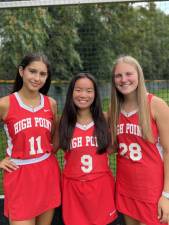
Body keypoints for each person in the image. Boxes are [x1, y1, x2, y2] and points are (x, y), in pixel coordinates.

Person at [0, 53, 61, 225]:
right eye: (32, 71)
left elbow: (54, 138)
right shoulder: (5, 103)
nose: (37, 78)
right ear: (21, 71)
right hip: (19, 176)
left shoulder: (51, 103)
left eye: (42, 74)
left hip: (47, 174)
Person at [109, 55, 169, 225]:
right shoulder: (114, 109)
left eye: (129, 74)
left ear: (139, 75)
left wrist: (167, 195)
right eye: (118, 76)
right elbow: (112, 147)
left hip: (152, 191)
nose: (124, 79)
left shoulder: (156, 105)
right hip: (126, 188)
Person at [59, 73, 117, 225]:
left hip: (101, 188)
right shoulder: (62, 121)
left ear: (95, 94)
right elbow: (48, 149)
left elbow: (115, 146)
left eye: (89, 90)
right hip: (73, 190)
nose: (83, 95)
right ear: (71, 92)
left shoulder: (105, 118)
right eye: (78, 90)